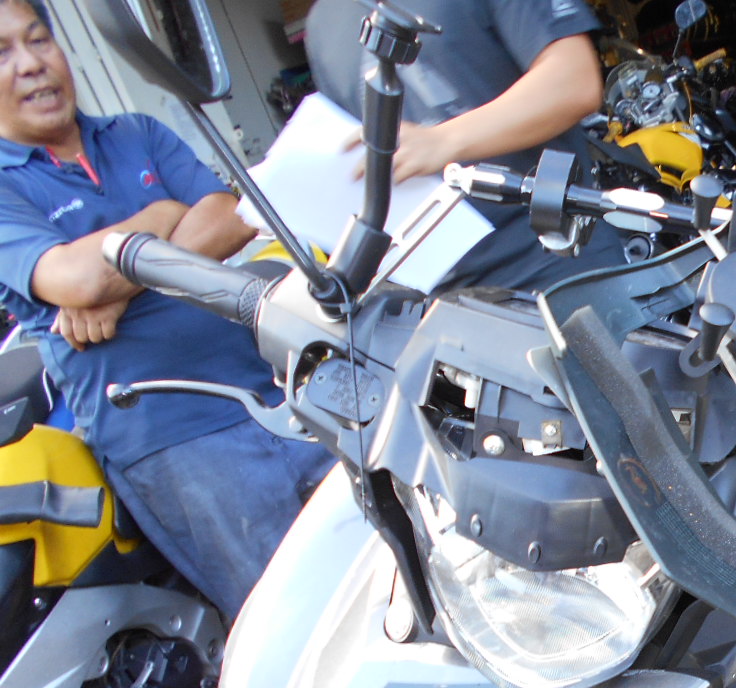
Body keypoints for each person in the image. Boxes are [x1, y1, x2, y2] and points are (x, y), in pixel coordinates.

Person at [0, 0, 330, 619]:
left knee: (394, 577)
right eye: (2, 54)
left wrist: (118, 279)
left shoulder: (136, 133)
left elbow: (234, 214)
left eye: (39, 40)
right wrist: (163, 213)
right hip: (176, 438)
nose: (31, 64)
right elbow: (74, 278)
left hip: (277, 389)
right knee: (296, 622)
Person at [305, 0, 625, 293]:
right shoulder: (321, 26)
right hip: (432, 298)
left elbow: (573, 81)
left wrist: (443, 140)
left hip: (558, 262)